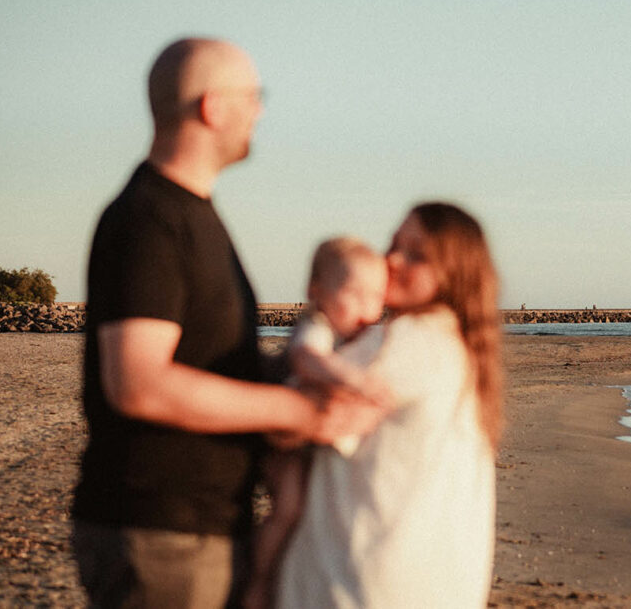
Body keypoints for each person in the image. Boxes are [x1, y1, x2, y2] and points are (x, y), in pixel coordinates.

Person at [71, 38, 385, 608]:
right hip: (161, 534)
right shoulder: (150, 220)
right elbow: (139, 382)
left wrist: (295, 373)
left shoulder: (196, 217)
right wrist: (300, 412)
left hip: (199, 527)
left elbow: (212, 362)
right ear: (212, 108)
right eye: (253, 97)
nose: (260, 111)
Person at [276, 202, 504, 609]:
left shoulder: (409, 340)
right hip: (430, 582)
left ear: (453, 274)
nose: (392, 260)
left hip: (361, 586)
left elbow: (297, 418)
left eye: (416, 255)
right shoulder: (459, 349)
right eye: (393, 245)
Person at [244, 237, 387, 609]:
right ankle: (255, 584)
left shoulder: (353, 331)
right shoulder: (316, 325)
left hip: (307, 436)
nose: (367, 309)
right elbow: (307, 359)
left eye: (376, 298)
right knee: (288, 508)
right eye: (354, 295)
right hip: (283, 440)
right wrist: (351, 379)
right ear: (316, 291)